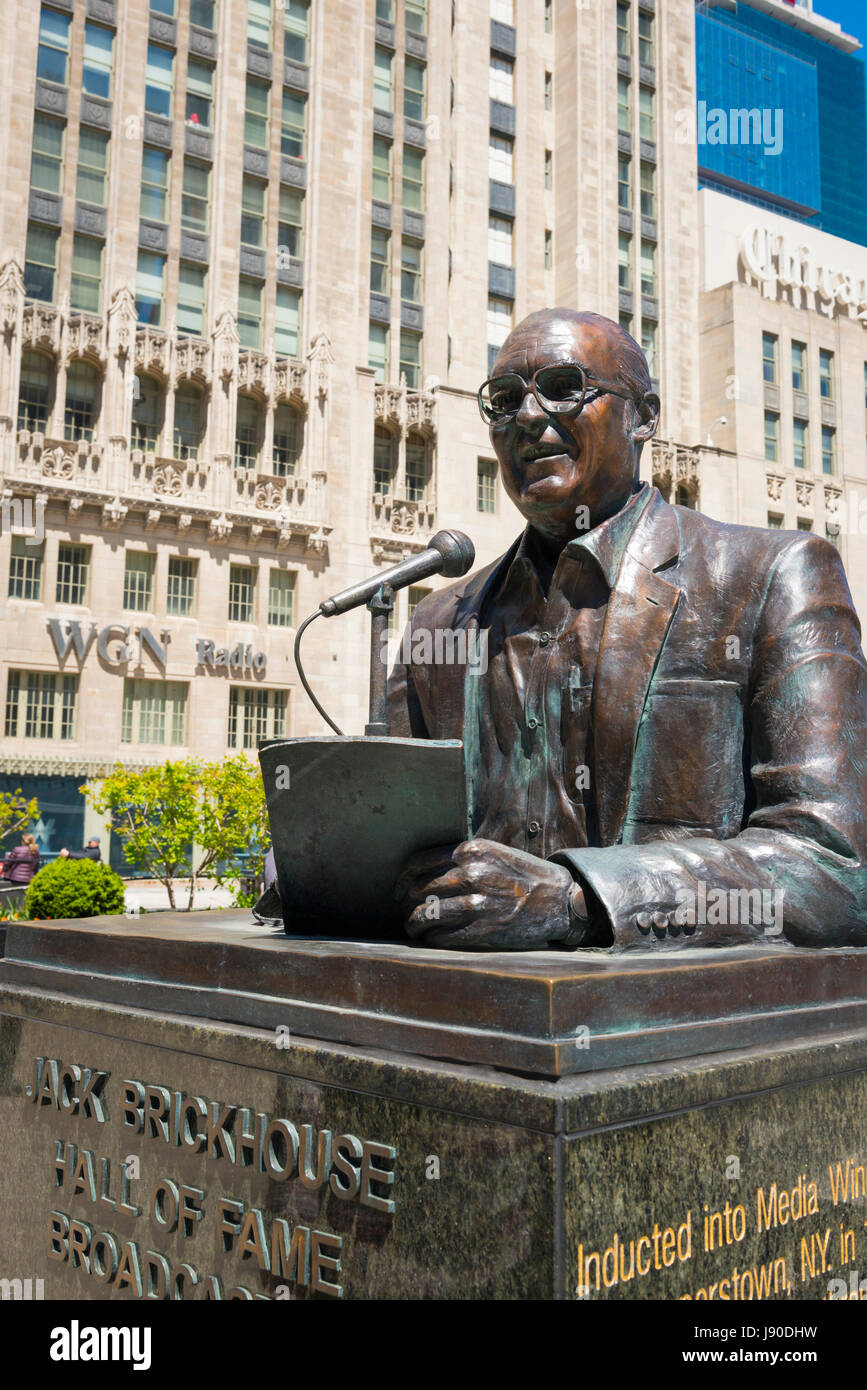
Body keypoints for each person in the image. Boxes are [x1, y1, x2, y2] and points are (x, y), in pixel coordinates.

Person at [388, 307, 867, 951]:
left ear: (643, 418)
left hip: (676, 1025)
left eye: (564, 387)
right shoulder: (440, 623)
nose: (529, 416)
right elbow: (388, 840)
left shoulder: (772, 575)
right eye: (503, 401)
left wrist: (580, 901)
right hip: (468, 1015)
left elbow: (834, 866)